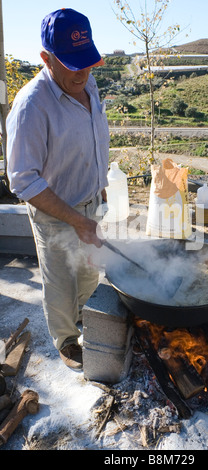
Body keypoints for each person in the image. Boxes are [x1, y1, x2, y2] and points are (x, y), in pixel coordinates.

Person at [6, 8, 110, 370]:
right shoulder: (32, 105)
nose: (82, 72)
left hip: (91, 203)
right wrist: (75, 220)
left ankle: (88, 322)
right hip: (55, 214)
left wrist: (102, 188)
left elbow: (92, 138)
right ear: (46, 59)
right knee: (61, 283)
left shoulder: (87, 82)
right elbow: (22, 180)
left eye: (87, 62)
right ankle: (67, 340)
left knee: (88, 275)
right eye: (71, 63)